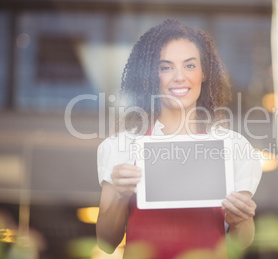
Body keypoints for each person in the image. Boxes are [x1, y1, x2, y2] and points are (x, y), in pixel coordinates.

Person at [96, 19, 262, 259]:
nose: (179, 77)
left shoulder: (233, 147)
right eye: (166, 67)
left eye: (190, 66)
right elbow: (106, 242)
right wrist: (121, 196)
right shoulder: (120, 147)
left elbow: (242, 242)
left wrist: (241, 220)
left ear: (204, 72)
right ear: (153, 75)